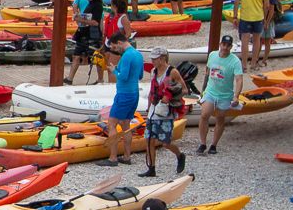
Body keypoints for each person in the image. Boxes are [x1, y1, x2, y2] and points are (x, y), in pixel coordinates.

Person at [140, 48, 187, 177]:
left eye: (155, 59)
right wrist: (148, 108)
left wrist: (170, 96)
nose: (152, 61)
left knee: (165, 142)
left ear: (162, 58)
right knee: (149, 139)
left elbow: (184, 89)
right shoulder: (153, 71)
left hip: (166, 112)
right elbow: (151, 91)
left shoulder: (173, 72)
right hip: (154, 109)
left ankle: (180, 155)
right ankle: (152, 168)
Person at [194, 34, 243, 156]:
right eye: (223, 44)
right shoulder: (212, 55)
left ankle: (214, 144)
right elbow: (207, 72)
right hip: (211, 91)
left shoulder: (235, 61)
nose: (225, 47)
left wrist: (236, 96)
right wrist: (203, 90)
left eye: (228, 45)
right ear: (220, 44)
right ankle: (203, 143)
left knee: (220, 118)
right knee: (204, 115)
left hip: (225, 95)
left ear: (231, 47)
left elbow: (239, 80)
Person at [103, 33, 143, 165]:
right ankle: (127, 156)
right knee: (126, 125)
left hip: (124, 94)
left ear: (120, 43)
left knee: (112, 124)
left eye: (115, 47)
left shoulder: (126, 56)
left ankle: (112, 158)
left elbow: (123, 76)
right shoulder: (138, 54)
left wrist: (114, 70)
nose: (115, 50)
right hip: (134, 93)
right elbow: (140, 75)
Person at [233, 0, 271, 68]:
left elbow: (236, 2)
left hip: (245, 16)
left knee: (244, 41)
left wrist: (235, 16)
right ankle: (253, 64)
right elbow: (267, 5)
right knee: (256, 40)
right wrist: (265, 18)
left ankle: (244, 65)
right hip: (258, 17)